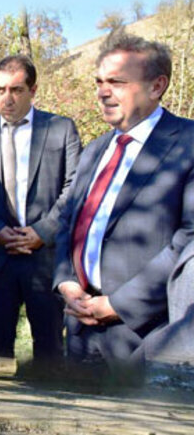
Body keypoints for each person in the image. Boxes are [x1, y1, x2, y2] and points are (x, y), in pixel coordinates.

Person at [53, 31, 194, 366]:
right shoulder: (95, 150)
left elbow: (188, 241)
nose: (103, 92)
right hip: (79, 326)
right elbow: (67, 223)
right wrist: (65, 282)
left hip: (149, 334)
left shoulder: (187, 144)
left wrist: (119, 305)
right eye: (99, 81)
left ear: (157, 86)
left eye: (116, 82)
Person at [0, 55, 81, 370]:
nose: (7, 98)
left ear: (33, 90)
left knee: (49, 344)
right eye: (0, 89)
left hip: (44, 258)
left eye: (16, 89)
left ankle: (48, 411)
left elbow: (75, 188)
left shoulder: (61, 129)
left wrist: (42, 233)